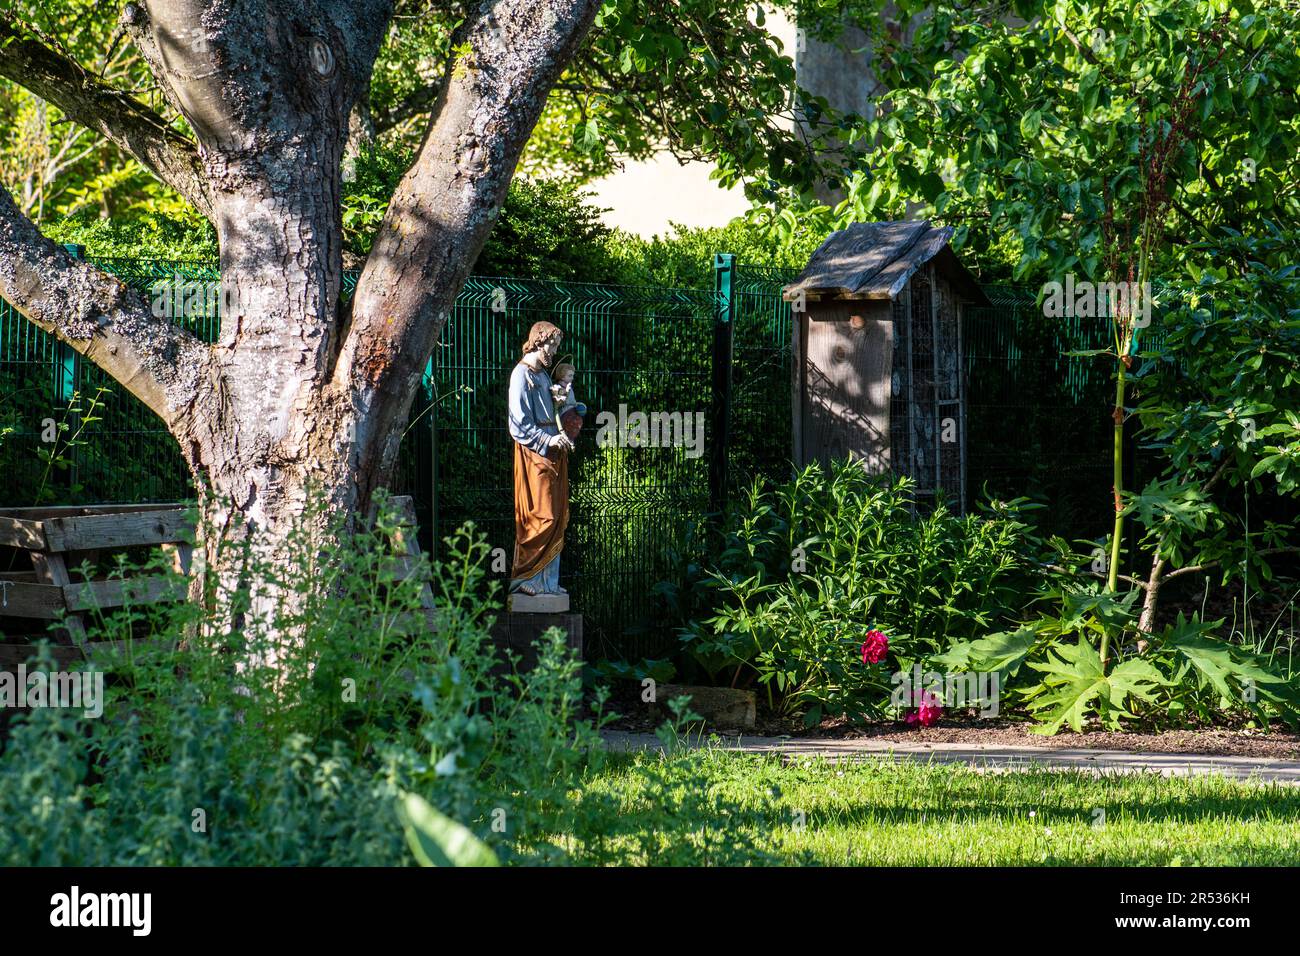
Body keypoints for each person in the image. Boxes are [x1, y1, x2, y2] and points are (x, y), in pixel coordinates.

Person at [507, 321, 581, 597]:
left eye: (557, 346)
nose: (554, 351)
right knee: (541, 517)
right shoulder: (521, 375)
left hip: (555, 454)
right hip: (535, 455)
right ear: (539, 341)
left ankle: (548, 584)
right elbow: (517, 424)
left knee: (558, 516)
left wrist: (561, 403)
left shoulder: (543, 377)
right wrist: (547, 439)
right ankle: (526, 578)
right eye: (553, 345)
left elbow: (551, 412)